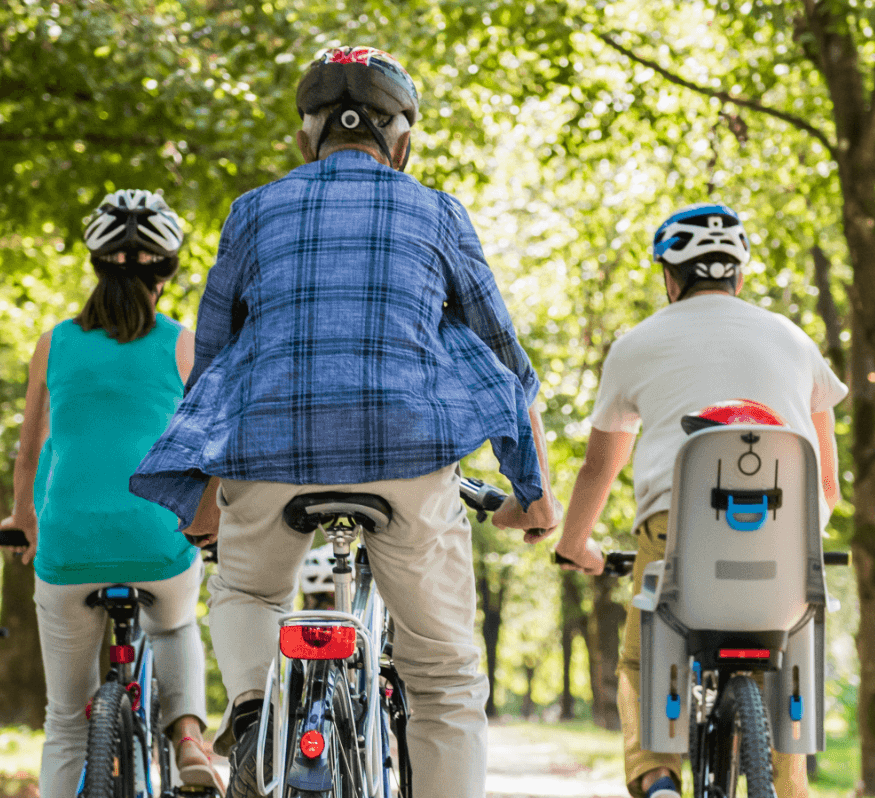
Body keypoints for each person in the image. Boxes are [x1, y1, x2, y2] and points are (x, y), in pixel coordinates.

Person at [128, 45, 559, 798]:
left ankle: (259, 711)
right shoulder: (437, 210)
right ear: (404, 143)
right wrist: (533, 493)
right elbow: (505, 362)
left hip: (268, 451)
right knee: (446, 676)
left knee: (247, 591)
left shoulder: (251, 212)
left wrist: (201, 487)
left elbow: (216, 362)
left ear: (306, 139)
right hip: (410, 453)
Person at [550, 204, 846, 798]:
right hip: (787, 540)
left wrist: (573, 544)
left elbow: (599, 466)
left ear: (669, 276)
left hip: (674, 533)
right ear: (738, 275)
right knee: (794, 641)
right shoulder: (794, 340)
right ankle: (790, 787)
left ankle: (658, 779)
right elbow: (829, 487)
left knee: (640, 659)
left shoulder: (636, 344)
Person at [0, 189, 223, 797]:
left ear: (95, 266)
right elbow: (211, 449)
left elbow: (29, 450)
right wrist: (208, 518)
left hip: (68, 542)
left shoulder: (55, 342)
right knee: (174, 626)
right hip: (157, 537)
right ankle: (188, 739)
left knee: (66, 721)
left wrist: (24, 520)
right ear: (167, 272)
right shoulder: (185, 342)